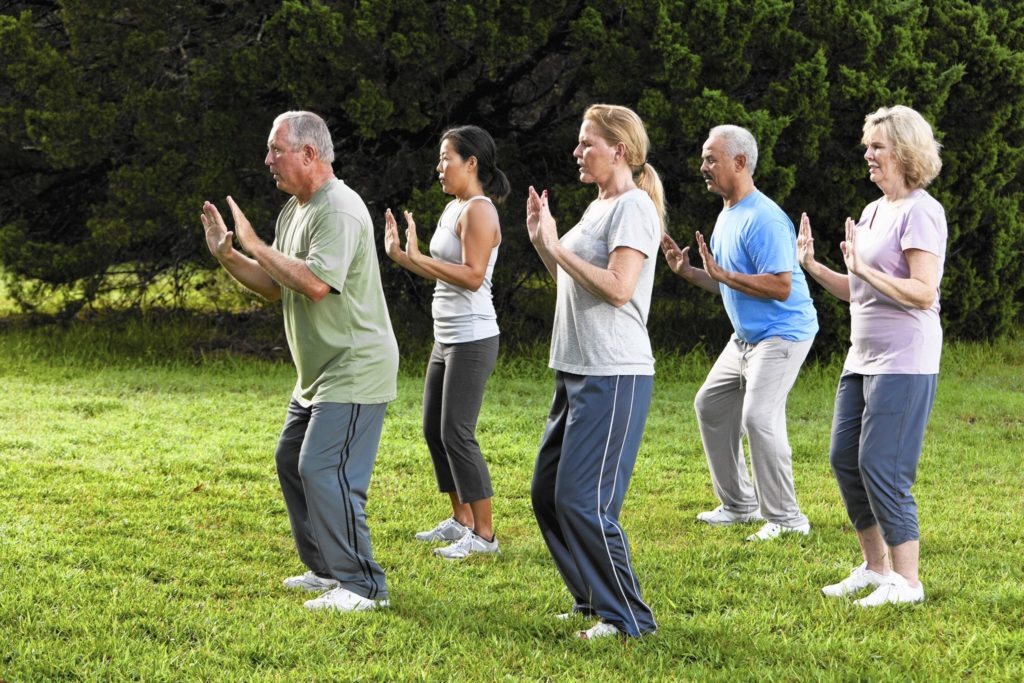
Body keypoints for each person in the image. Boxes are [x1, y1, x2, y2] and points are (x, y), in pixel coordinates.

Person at [200, 110, 398, 612]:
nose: (268, 160)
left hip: (354, 366)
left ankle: (363, 586)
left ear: (309, 154)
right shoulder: (296, 209)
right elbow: (276, 284)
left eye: (276, 150)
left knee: (324, 468)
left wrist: (254, 244)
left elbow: (313, 284)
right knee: (292, 460)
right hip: (317, 372)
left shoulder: (339, 209)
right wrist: (229, 255)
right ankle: (328, 570)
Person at [798, 105, 946, 606]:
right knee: (845, 458)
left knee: (882, 464)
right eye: (868, 146)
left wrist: (864, 267)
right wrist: (816, 267)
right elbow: (859, 289)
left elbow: (923, 293)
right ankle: (875, 566)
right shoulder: (874, 210)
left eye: (877, 146)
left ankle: (907, 582)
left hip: (906, 360)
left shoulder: (922, 211)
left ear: (904, 151)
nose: (868, 154)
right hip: (862, 358)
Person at [526, 104, 664, 640]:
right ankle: (591, 600)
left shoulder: (632, 208)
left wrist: (558, 246)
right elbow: (573, 280)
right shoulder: (597, 206)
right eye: (579, 143)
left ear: (620, 151)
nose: (577, 152)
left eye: (588, 144)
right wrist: (544, 242)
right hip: (575, 369)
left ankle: (629, 618)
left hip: (615, 372)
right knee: (547, 493)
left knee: (586, 502)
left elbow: (618, 287)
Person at [661, 125, 818, 542]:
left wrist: (725, 274)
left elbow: (781, 286)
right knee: (711, 404)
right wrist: (689, 272)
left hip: (782, 334)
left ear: (740, 162)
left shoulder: (764, 218)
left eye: (712, 159)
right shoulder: (728, 212)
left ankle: (787, 519)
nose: (703, 167)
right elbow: (728, 282)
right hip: (745, 338)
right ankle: (739, 505)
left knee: (758, 417)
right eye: (704, 158)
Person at [383, 125, 509, 560]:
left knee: (457, 431)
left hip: (473, 337)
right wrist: (404, 256)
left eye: (446, 159)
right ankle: (462, 521)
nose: (439, 168)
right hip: (446, 336)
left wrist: (418, 259)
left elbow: (473, 277)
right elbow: (439, 269)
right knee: (434, 430)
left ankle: (486, 536)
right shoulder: (452, 208)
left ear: (471, 163)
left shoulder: (479, 211)